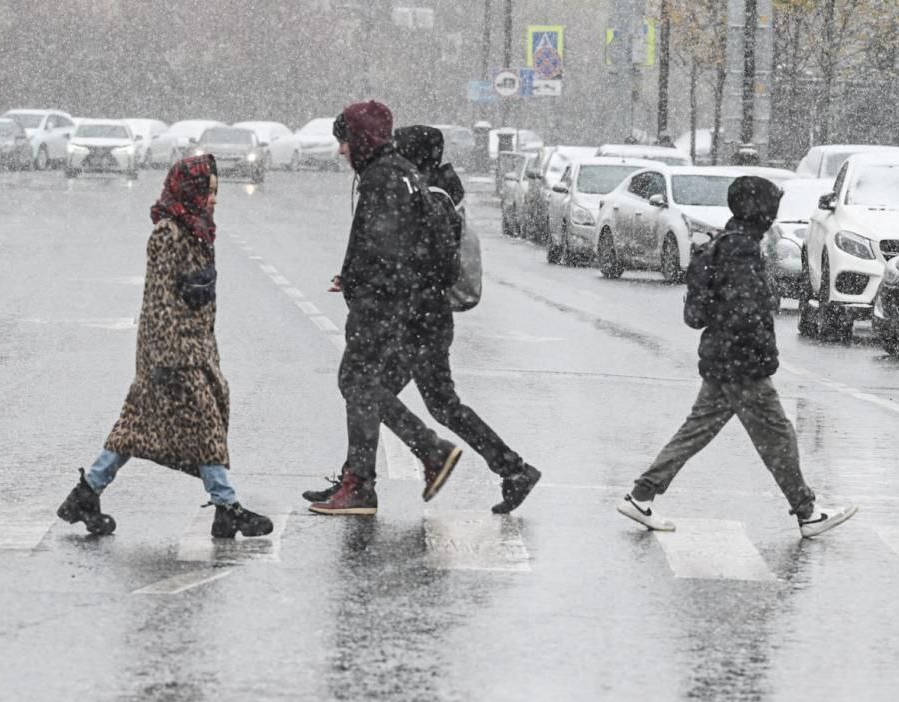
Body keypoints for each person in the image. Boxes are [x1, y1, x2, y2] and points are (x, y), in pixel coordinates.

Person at [304, 125, 542, 514]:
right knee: (381, 395)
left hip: (420, 319)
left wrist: (386, 287)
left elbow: (427, 262)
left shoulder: (430, 195)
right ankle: (360, 477)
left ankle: (381, 474)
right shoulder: (429, 189)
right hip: (422, 316)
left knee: (370, 390)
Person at [616, 175, 857, 539]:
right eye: (770, 208)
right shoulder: (741, 250)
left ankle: (641, 494)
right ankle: (807, 512)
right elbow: (746, 311)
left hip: (722, 358)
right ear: (759, 210)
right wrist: (761, 355)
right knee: (777, 436)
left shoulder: (724, 242)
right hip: (741, 363)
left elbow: (710, 311)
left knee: (696, 431)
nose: (774, 216)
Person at [56, 155, 273, 538]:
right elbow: (158, 301)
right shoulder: (168, 234)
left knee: (135, 427)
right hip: (172, 353)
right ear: (191, 190)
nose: (214, 199)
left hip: (194, 347)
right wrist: (166, 357)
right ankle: (228, 507)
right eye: (209, 191)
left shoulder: (198, 230)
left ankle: (86, 492)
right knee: (205, 423)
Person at [308, 101, 462, 516]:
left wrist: (363, 284)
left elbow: (386, 248)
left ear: (362, 139)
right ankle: (359, 479)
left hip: (382, 305)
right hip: (396, 302)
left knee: (357, 383)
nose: (341, 150)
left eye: (344, 140)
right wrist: (353, 275)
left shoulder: (383, 178)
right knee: (359, 386)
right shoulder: (400, 173)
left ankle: (423, 454)